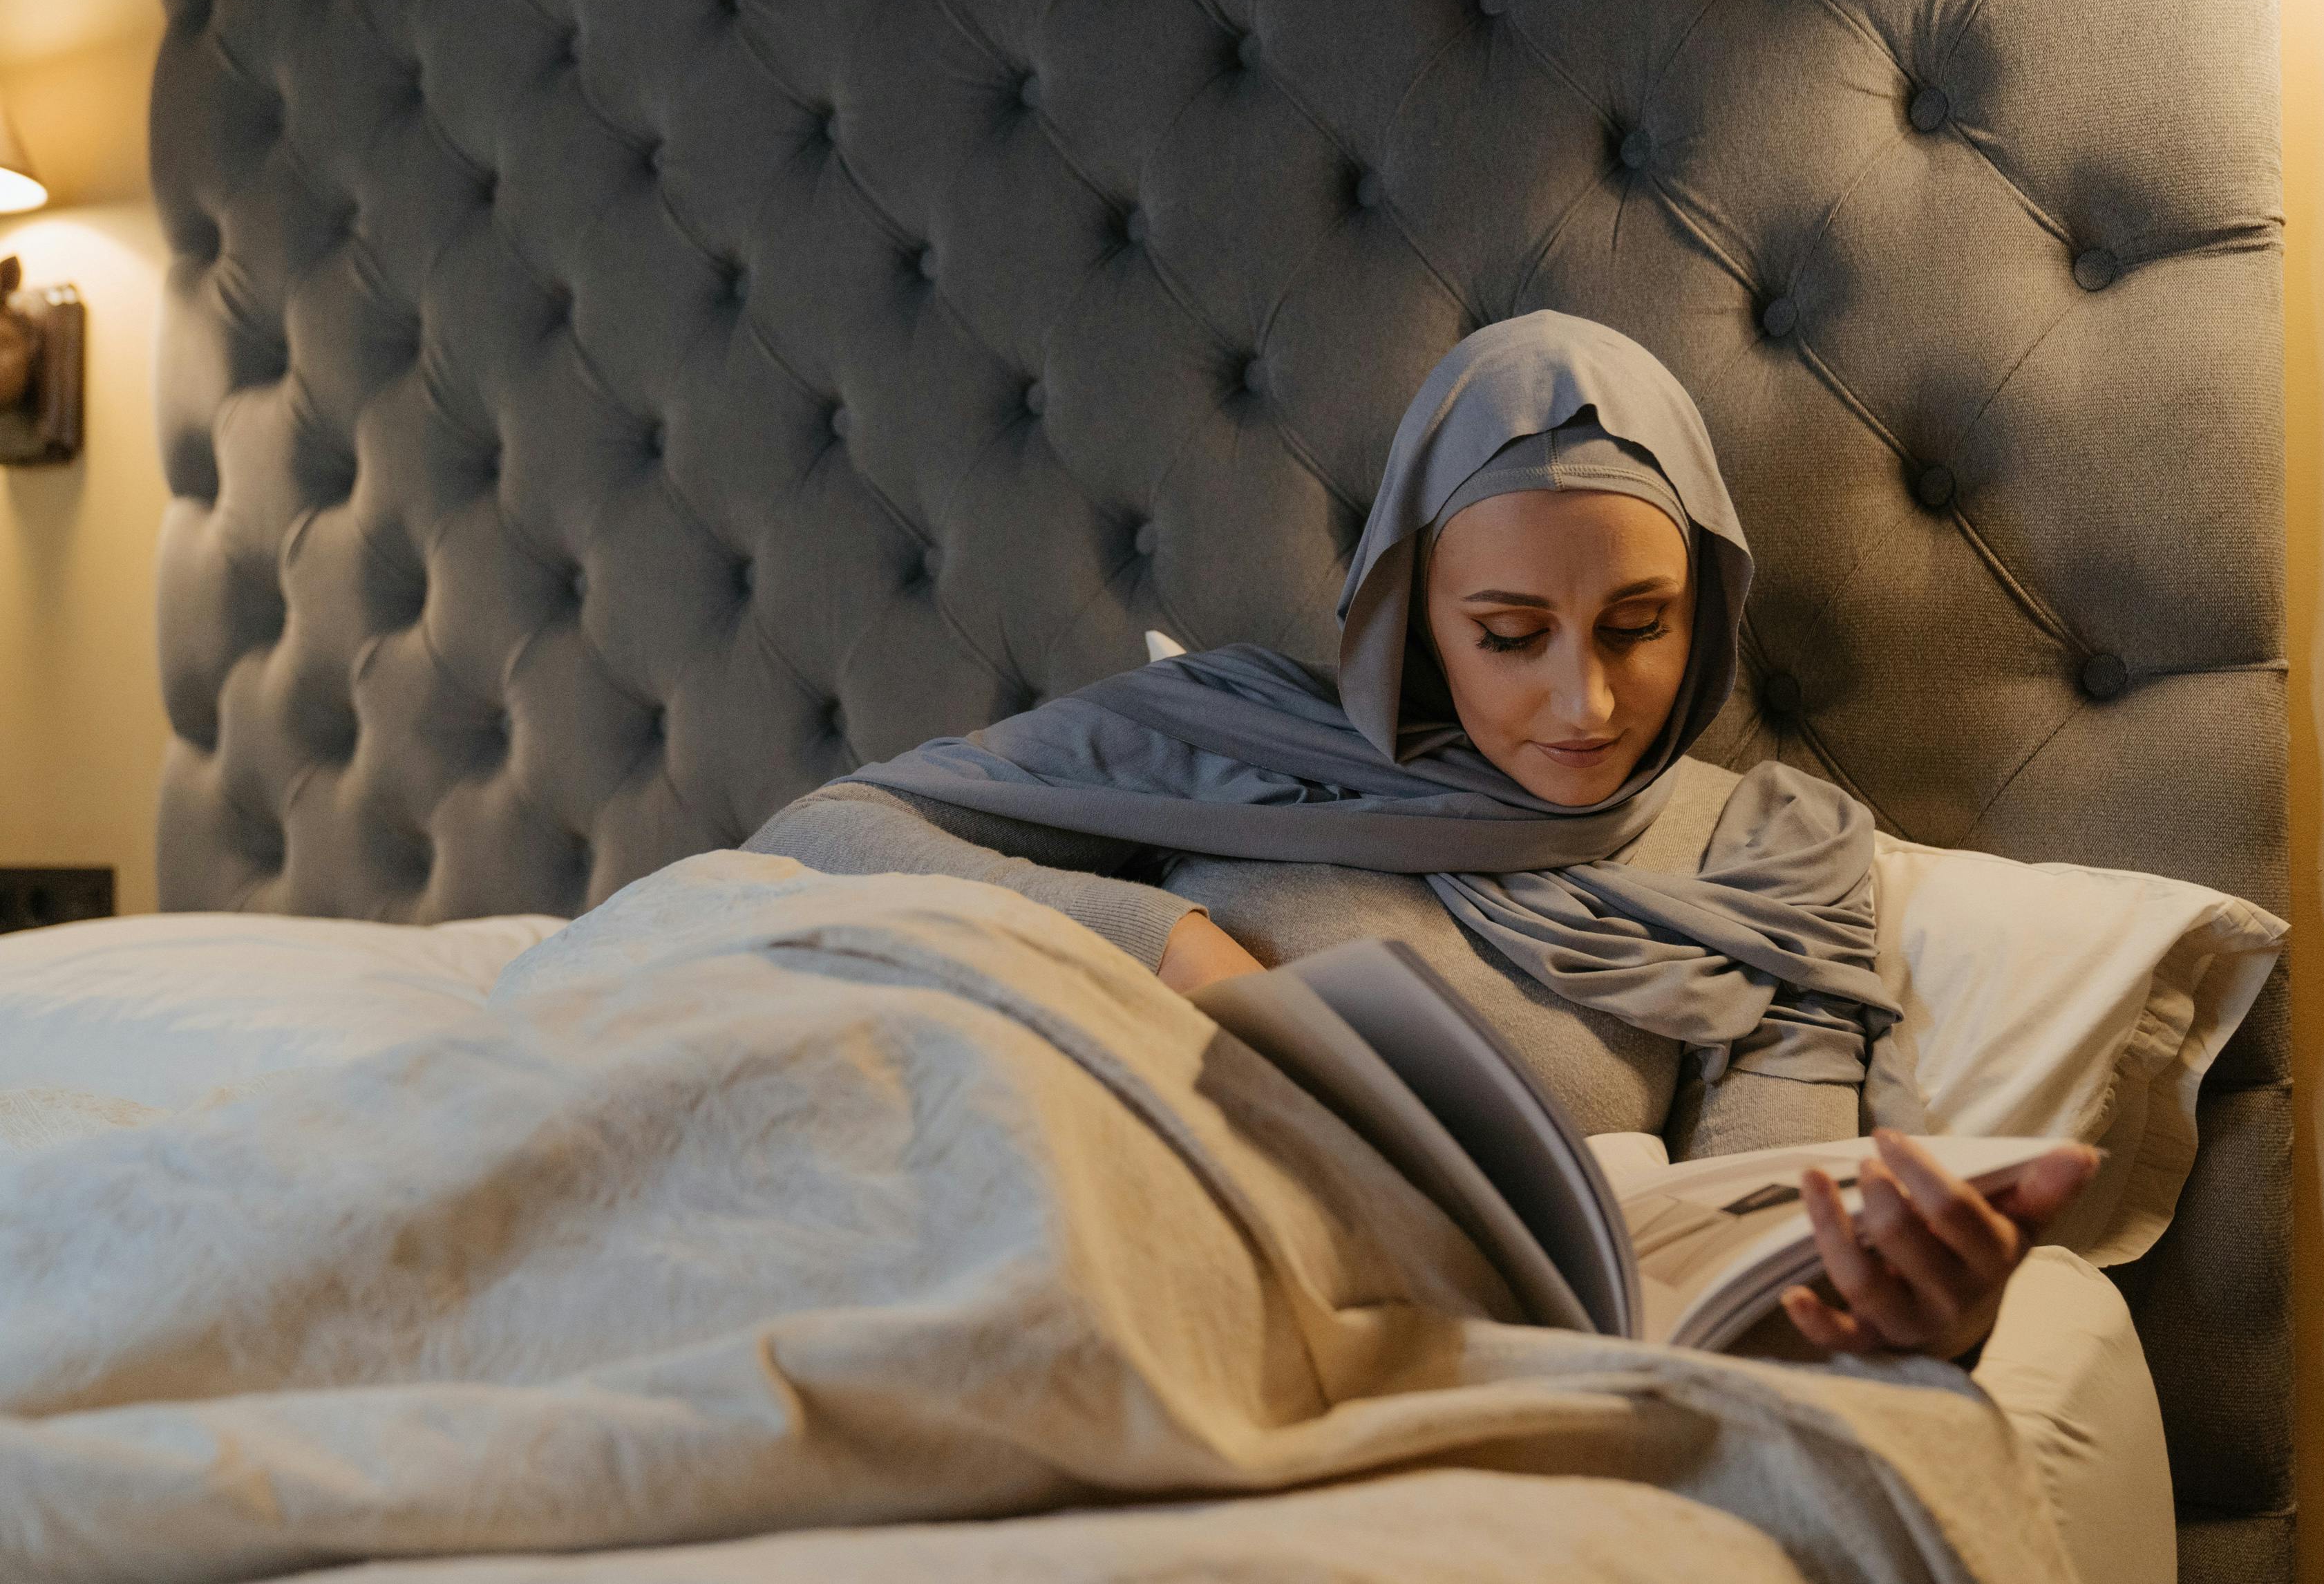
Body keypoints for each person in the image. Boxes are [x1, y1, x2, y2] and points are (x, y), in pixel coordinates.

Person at [747, 310, 2095, 1363]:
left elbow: (1750, 1230)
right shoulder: (1232, 734)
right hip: (1043, 1232)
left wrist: (1885, 1302)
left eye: (1640, 624)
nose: (1586, 702)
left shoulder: (1767, 858)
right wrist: (1177, 948)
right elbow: (823, 836)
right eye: (1509, 636)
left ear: (1709, 604)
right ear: (1415, 615)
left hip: (1421, 1347)